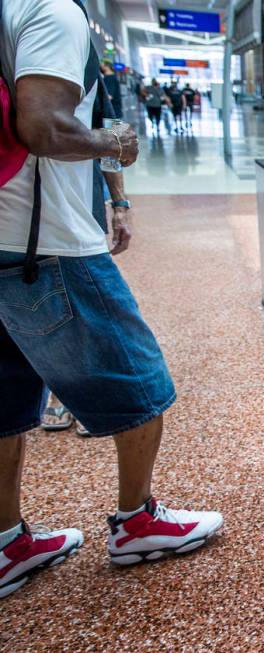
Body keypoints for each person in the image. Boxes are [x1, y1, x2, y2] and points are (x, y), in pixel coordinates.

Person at [0, 0, 222, 599]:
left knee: (7, 398)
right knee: (138, 378)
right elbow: (44, 127)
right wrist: (115, 144)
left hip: (4, 239)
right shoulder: (52, 11)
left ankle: (7, 545)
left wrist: (116, 197)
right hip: (44, 244)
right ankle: (137, 523)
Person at [42, 68, 134, 435]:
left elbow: (112, 130)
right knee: (44, 307)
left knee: (88, 302)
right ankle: (60, 390)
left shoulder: (86, 61)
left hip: (80, 211)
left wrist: (120, 203)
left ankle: (86, 393)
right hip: (20, 216)